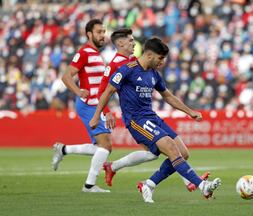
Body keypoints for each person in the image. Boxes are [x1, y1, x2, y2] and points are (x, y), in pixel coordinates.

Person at [90, 37, 221, 203]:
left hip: (152, 117)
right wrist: (97, 116)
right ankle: (202, 186)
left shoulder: (153, 74)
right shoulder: (127, 70)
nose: (162, 62)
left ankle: (149, 184)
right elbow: (107, 92)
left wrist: (189, 112)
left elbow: (167, 96)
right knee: (172, 149)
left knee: (183, 153)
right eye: (160, 58)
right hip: (136, 120)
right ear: (150, 55)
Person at [52, 19, 112, 193]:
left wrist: (106, 110)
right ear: (89, 34)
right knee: (105, 145)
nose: (103, 35)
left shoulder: (97, 55)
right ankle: (89, 185)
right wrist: (78, 92)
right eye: (99, 32)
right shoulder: (84, 52)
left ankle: (63, 149)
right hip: (87, 105)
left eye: (104, 31)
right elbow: (66, 76)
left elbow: (101, 88)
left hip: (96, 105)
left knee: (102, 146)